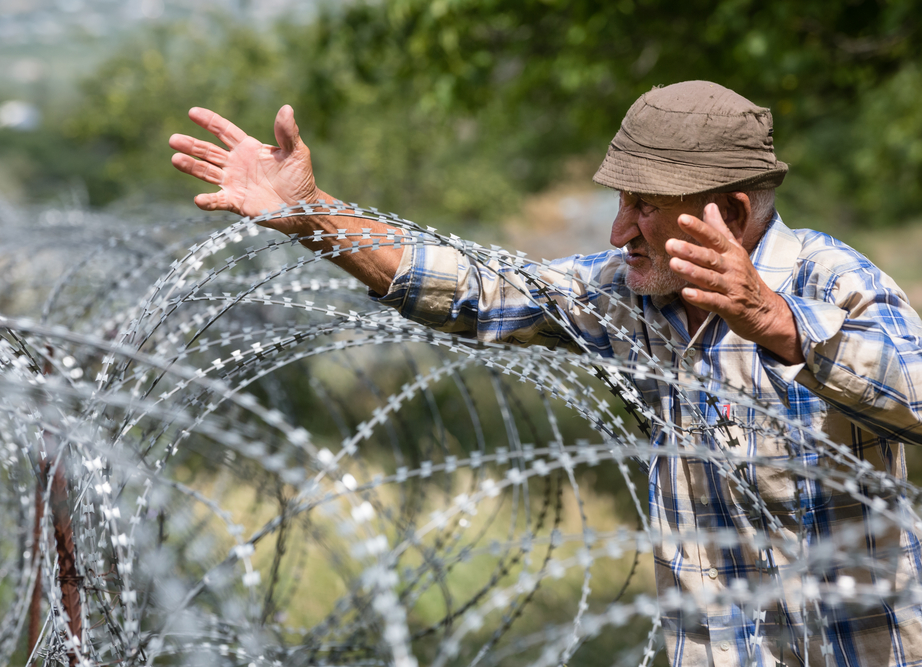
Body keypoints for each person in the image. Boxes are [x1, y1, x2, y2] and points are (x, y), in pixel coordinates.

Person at [170, 81, 922, 666]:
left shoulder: (834, 284)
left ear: (728, 210)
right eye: (621, 201)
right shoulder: (630, 294)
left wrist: (779, 325)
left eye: (646, 207)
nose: (619, 231)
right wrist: (311, 213)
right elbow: (474, 287)